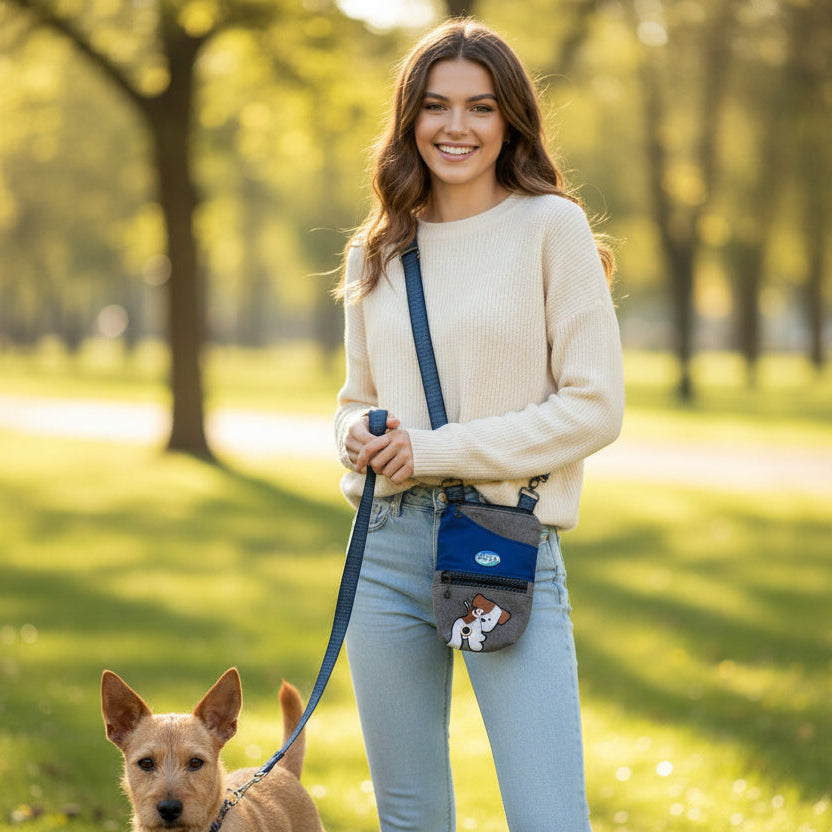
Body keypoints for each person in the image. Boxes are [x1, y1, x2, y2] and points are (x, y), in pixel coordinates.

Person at [334, 18, 624, 832]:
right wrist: (353, 436)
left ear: (511, 120)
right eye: (435, 106)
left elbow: (595, 404)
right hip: (385, 545)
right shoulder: (378, 249)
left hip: (501, 541)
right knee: (411, 816)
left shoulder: (549, 228)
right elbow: (355, 395)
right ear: (409, 120)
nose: (456, 127)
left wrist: (432, 449)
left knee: (546, 816)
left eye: (480, 107)